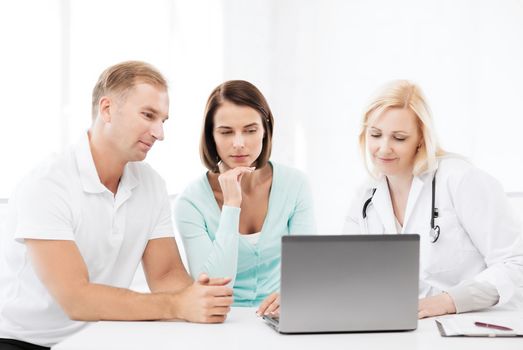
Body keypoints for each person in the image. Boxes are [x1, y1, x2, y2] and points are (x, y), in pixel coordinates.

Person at [0, 61, 233, 350]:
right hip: (26, 342)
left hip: (103, 335)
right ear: (107, 109)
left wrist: (199, 299)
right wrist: (176, 305)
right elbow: (76, 299)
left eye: (163, 120)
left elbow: (165, 275)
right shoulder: (48, 185)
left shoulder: (151, 184)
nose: (160, 133)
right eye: (148, 115)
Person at [343, 80, 523, 319]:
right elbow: (346, 271)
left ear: (420, 138)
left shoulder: (460, 179)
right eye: (375, 134)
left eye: (399, 138)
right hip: (408, 327)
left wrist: (449, 301)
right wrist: (311, 294)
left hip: (474, 325)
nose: (383, 148)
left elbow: (515, 264)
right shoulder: (366, 197)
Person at [174, 80, 316, 316]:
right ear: (211, 136)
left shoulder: (295, 184)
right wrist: (231, 207)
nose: (239, 144)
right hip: (220, 320)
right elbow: (213, 287)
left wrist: (294, 296)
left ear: (265, 130)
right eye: (226, 132)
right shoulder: (190, 202)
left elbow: (308, 270)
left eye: (250, 130)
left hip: (281, 315)